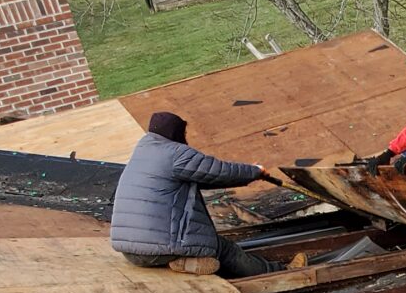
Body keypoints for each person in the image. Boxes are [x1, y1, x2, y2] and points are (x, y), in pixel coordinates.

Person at [109, 112, 285, 278]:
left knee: (202, 245)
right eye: (183, 132)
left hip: (131, 252)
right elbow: (219, 171)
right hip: (159, 249)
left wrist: (248, 175)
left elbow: (207, 178)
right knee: (226, 249)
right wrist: (254, 171)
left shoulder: (143, 152)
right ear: (175, 132)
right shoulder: (177, 154)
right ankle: (277, 272)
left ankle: (183, 261)